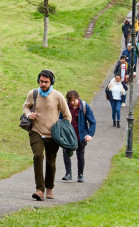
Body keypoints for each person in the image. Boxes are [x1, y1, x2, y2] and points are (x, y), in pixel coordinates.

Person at [22, 69, 70, 201]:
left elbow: (67, 116)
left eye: (46, 82)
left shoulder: (57, 96)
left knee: (51, 162)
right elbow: (25, 107)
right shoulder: (33, 94)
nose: (43, 84)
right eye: (41, 81)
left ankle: (49, 189)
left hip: (53, 135)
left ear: (51, 82)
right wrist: (28, 114)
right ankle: (40, 189)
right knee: (38, 156)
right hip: (36, 131)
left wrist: (62, 131)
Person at [61, 91, 96, 183]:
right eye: (70, 101)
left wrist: (90, 134)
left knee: (80, 155)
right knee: (66, 153)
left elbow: (92, 122)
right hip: (68, 136)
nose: (72, 103)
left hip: (81, 136)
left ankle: (80, 175)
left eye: (73, 100)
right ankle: (68, 173)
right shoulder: (66, 107)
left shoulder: (84, 107)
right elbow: (60, 120)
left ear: (78, 98)